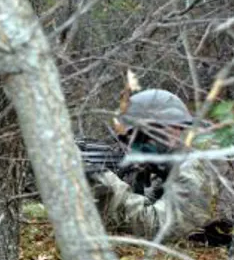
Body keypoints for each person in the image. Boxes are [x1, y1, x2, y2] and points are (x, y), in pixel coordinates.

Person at [90, 89, 224, 242]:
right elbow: (147, 202)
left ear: (173, 130)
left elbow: (160, 228)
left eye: (140, 137)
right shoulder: (165, 165)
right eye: (128, 139)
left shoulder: (198, 166)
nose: (132, 147)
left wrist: (106, 186)